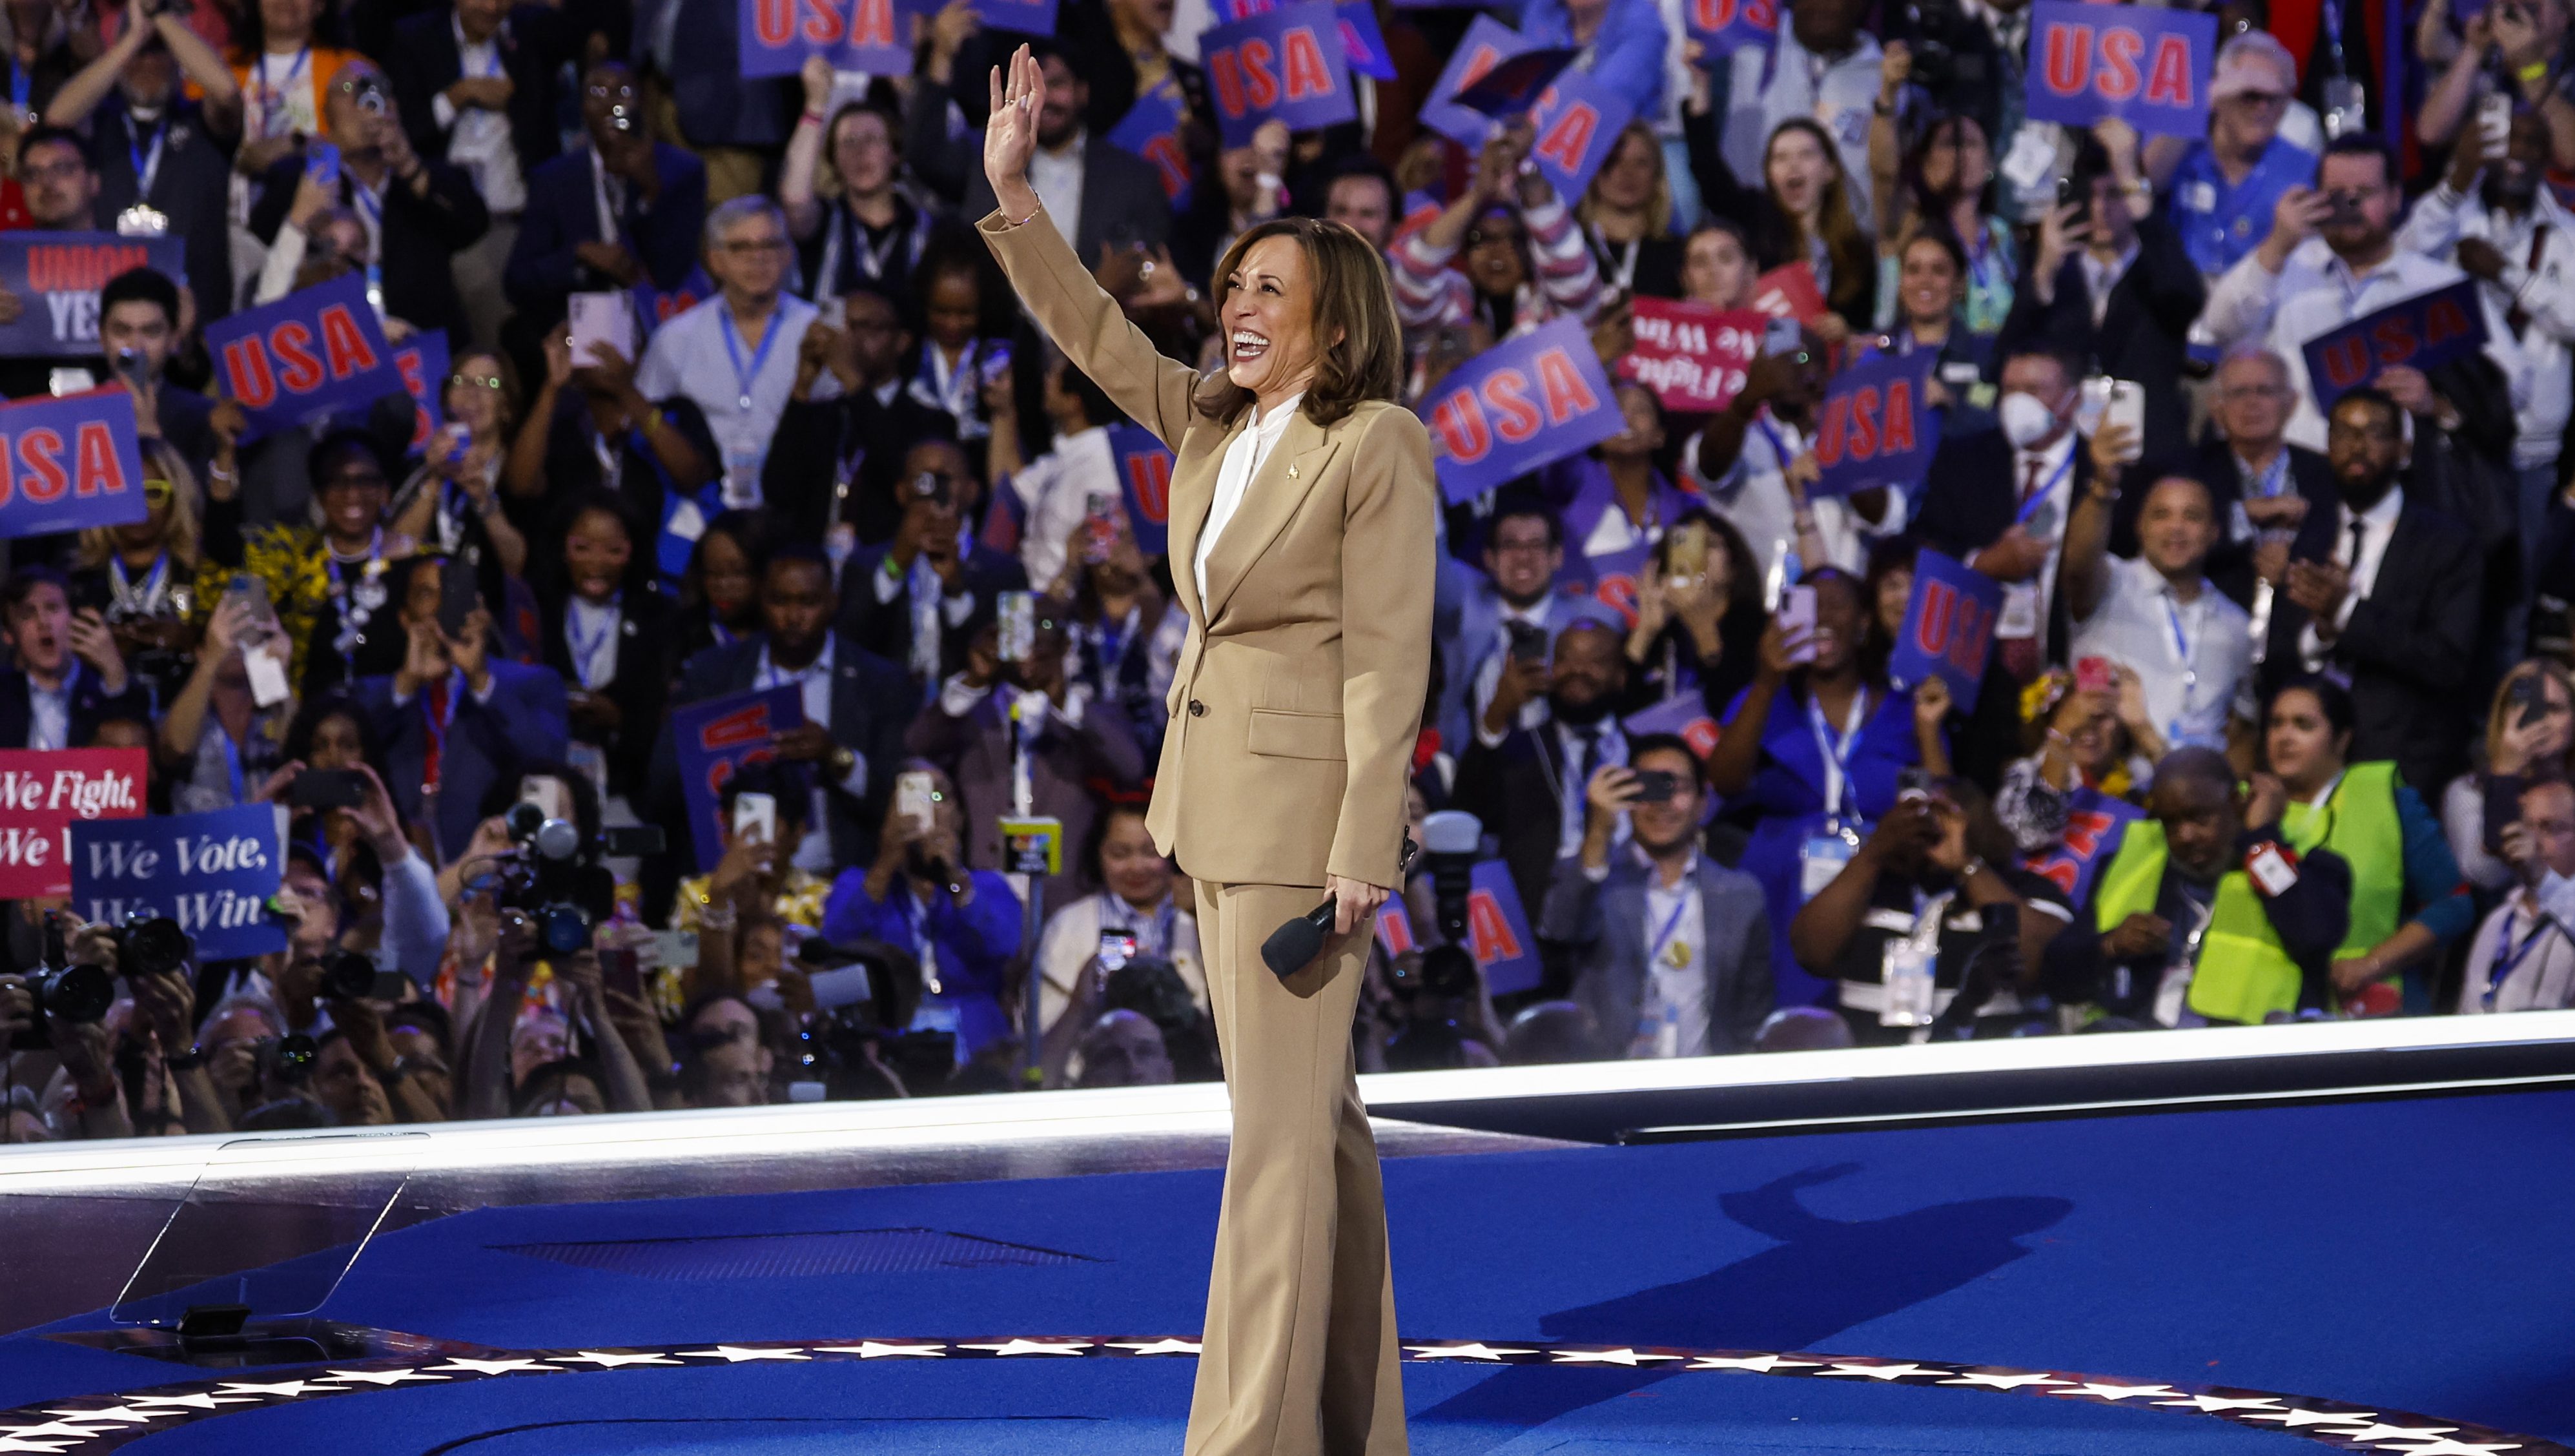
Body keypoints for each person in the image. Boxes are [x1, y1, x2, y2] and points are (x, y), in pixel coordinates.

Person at [980, 43, 1428, 1451]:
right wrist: (1015, 198)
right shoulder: (1216, 424)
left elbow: (1385, 659)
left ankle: (1246, 1437)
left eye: (1265, 292)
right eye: (1231, 285)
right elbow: (1100, 338)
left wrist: (1364, 847)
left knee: (1275, 1154)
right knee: (1317, 1133)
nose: (1234, 306)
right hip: (1211, 812)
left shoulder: (1375, 443)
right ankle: (1357, 1426)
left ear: (1333, 326)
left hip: (1302, 836)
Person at [1706, 568, 1950, 1007]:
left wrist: (1929, 729)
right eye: (1808, 605)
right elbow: (1725, 780)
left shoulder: (1903, 710)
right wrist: (1765, 682)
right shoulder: (1764, 701)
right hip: (1778, 890)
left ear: (1863, 622)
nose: (1821, 616)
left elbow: (1945, 806)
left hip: (1879, 889)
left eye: (1836, 604)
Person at [2202, 134, 2523, 453]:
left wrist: (2437, 400)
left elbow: (2516, 383)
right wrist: (2276, 245)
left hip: (2399, 479)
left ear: (2395, 198)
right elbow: (2220, 325)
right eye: (2338, 194)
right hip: (2301, 469)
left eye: (2365, 193)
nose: (2352, 205)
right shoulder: (2282, 266)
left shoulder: (2439, 285)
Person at [2261, 389, 2485, 795]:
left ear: (2403, 449)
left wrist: (2346, 612)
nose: (2357, 447)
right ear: (2327, 446)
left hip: (2405, 765)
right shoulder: (2308, 537)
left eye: (2375, 433)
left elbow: (2447, 661)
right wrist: (2322, 633)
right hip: (2312, 770)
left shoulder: (2448, 544)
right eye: (2344, 433)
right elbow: (2278, 659)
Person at [2399, 108, 2575, 614]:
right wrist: (2456, 181)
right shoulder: (2450, 219)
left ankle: (2507, 695)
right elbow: (2400, 259)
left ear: (2549, 157)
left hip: (2530, 447)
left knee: (2514, 602)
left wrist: (2507, 274)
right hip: (2451, 437)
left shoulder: (2566, 235)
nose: (2519, 154)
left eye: (2534, 143)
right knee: (2440, 591)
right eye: (2507, 140)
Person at [2046, 746, 2352, 1027]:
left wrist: (2261, 840)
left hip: (2250, 1060)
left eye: (2200, 818)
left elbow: (2317, 932)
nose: (2186, 835)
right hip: (2142, 1055)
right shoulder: (2133, 862)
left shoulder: (2308, 861)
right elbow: (2057, 974)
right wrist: (2110, 945)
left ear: (2235, 804)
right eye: (2171, 823)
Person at [660, 542, 917, 877]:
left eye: (808, 602)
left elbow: (902, 796)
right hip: (732, 884)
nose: (793, 617)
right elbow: (663, 783)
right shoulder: (713, 674)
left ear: (832, 603)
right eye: (780, 601)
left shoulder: (880, 682)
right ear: (761, 600)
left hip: (840, 885)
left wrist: (835, 757)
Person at [2256, 675, 2477, 1018]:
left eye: (2303, 725)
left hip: (2365, 1012)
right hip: (2262, 1014)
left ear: (2342, 739)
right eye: (2276, 724)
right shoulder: (2246, 807)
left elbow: (2454, 903)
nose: (2285, 737)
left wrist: (2372, 963)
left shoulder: (2385, 799)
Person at [1789, 775, 2071, 1043]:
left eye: (1943, 816)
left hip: (1982, 1070)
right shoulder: (1869, 887)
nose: (1929, 826)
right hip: (1873, 1068)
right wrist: (1874, 852)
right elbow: (1811, 952)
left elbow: (2042, 959)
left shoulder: (2022, 888)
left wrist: (1967, 864)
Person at [907, 595, 1147, 906]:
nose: (1030, 642)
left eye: (1044, 627)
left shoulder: (1092, 717)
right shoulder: (971, 718)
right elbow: (916, 746)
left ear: (1065, 643)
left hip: (1064, 903)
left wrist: (1061, 699)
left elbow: (1131, 767)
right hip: (984, 904)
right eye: (1016, 629)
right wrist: (974, 678)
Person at [1546, 737, 1772, 1057]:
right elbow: (1561, 930)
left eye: (1675, 788)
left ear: (1701, 802)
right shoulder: (1594, 879)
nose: (1662, 803)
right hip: (1611, 1085)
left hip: (1703, 1085)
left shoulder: (1740, 895)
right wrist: (1598, 831)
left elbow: (1752, 1018)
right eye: (1649, 788)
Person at [247, 60, 492, 340]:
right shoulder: (298, 177)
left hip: (421, 340)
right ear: (327, 113)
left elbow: (473, 226)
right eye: (347, 90)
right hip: (332, 341)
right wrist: (326, 153)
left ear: (393, 108)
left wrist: (409, 167)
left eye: (373, 90)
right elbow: (263, 236)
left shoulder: (428, 176)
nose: (362, 101)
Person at [1997, 140, 2206, 465]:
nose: (2099, 209)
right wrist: (2044, 271)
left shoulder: (2160, 269)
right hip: (2068, 456)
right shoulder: (2052, 274)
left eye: (2114, 195)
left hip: (2151, 453)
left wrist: (2132, 180)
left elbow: (2186, 299)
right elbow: (2005, 359)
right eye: (2089, 196)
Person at [353, 553, 569, 859]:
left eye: (453, 594)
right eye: (427, 594)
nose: (441, 606)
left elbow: (549, 765)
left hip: (490, 870)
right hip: (393, 872)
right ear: (405, 617)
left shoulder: (532, 685)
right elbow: (345, 759)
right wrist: (406, 684)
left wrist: (481, 681)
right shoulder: (374, 693)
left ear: (479, 609)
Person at [384, 0, 568, 351]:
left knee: (519, 343)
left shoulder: (529, 37)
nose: (492, 6)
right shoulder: (413, 39)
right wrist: (458, 96)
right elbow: (400, 132)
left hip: (515, 221)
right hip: (440, 224)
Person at [2062, 429, 2254, 755]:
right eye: (2161, 515)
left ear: (2213, 533)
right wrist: (2104, 487)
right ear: (2140, 527)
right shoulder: (2111, 582)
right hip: (2110, 794)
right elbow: (2077, 566)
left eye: (2191, 517)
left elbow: (2240, 732)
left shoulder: (2235, 623)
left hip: (2195, 797)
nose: (2176, 527)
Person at [817, 759, 1021, 1065]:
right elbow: (833, 948)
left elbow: (1007, 946)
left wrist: (955, 881)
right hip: (887, 1042)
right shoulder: (859, 883)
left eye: (939, 797)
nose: (928, 808)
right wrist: (885, 863)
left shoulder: (986, 886)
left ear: (960, 818)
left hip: (976, 1043)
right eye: (912, 797)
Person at [43, 10, 240, 327]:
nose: (147, 63)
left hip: (198, 322)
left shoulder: (202, 122)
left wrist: (159, 13)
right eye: (137, 53)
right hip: (112, 322)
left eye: (159, 50)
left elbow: (227, 90)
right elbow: (55, 122)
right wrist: (131, 39)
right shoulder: (101, 121)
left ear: (178, 55)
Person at [634, 196, 828, 509]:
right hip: (699, 510)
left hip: (796, 506)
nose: (758, 259)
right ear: (715, 260)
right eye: (741, 248)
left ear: (788, 254)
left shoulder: (818, 332)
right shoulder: (676, 338)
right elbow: (645, 429)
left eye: (770, 245)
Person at [1916, 345, 2091, 679]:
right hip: (1981, 669)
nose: (2018, 402)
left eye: (2034, 390)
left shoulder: (2103, 472)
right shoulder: (1961, 461)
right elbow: (1927, 547)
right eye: (2010, 389)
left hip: (2075, 666)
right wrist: (1982, 565)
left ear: (2074, 399)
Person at [503, 60, 709, 334]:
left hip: (665, 316)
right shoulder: (554, 179)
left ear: (641, 103)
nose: (611, 105)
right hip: (583, 322)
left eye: (623, 93)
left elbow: (673, 270)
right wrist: (579, 255)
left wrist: (650, 191)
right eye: (597, 94)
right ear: (582, 109)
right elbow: (518, 280)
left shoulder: (682, 170)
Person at [1455, 618, 1633, 921]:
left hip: (1626, 913)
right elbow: (1467, 814)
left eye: (1596, 661)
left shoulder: (1645, 751)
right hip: (1535, 917)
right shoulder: (1523, 748)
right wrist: (1497, 713)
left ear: (1620, 676)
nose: (1578, 670)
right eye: (1565, 659)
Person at [2129, 345, 2330, 612]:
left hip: (2301, 626)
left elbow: (2340, 539)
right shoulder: (2186, 472)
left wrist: (2293, 561)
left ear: (2291, 402)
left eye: (2265, 391)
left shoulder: (2325, 471)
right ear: (2216, 407)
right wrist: (2245, 514)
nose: (2252, 403)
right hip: (2207, 619)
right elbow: (2158, 544)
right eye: (2238, 393)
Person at [763, 289, 956, 548]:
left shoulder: (932, 421)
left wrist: (852, 379)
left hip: (887, 566)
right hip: (816, 570)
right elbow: (777, 490)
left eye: (866, 327)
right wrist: (802, 386)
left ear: (902, 341)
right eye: (844, 327)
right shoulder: (825, 413)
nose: (849, 339)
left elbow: (907, 477)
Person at [958, 37, 1172, 261]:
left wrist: (1099, 289)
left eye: (1056, 84)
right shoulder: (987, 168)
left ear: (1082, 92)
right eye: (1031, 89)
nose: (1043, 99)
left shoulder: (1136, 179)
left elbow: (1152, 265)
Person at [1435, 493, 1617, 755]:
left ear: (1557, 556)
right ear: (1490, 558)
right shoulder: (1464, 606)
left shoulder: (1591, 621)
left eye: (1536, 545)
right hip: (1463, 768)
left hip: (1559, 773)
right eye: (1510, 545)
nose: (1523, 557)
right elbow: (1432, 561)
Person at [840, 437, 1027, 686]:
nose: (932, 490)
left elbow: (1018, 659)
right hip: (887, 711)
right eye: (923, 478)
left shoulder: (1010, 572)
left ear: (972, 491)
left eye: (944, 478)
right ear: (902, 491)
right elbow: (847, 646)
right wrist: (895, 566)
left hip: (970, 714)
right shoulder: (860, 565)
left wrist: (955, 591)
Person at [1391, 119, 1602, 339]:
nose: (1497, 250)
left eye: (1514, 239)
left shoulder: (1560, 313)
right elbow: (1413, 279)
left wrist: (1524, 168)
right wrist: (1478, 194)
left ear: (1534, 249)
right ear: (1464, 250)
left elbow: (1572, 272)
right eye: (1481, 238)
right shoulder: (1444, 310)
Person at [1032, 804, 1207, 1049]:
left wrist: (1200, 917)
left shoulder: (1199, 920)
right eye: (1120, 854)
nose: (1137, 867)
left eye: (1150, 852)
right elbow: (1043, 1032)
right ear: (1098, 854)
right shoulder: (1069, 925)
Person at [2148, 31, 2315, 285]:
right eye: (2250, 95)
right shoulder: (2181, 151)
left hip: (2260, 305)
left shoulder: (2304, 170)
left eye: (2274, 98)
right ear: (2219, 94)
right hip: (2177, 301)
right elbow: (2147, 182)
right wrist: (2201, 102)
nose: (2263, 108)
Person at [535, 492, 671, 805]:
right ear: (563, 550)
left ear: (633, 552)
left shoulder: (658, 617)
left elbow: (667, 716)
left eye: (613, 550)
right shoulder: (539, 610)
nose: (597, 564)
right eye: (582, 549)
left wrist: (620, 720)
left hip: (630, 791)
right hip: (548, 785)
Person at [1686, 111, 1876, 334]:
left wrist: (1846, 331)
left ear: (1830, 170)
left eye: (1806, 155)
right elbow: (1710, 177)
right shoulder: (1756, 222)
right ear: (1770, 175)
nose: (1793, 166)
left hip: (1831, 365)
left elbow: (1867, 329)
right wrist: (1699, 101)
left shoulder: (1857, 249)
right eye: (1781, 158)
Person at [1712, 0, 1882, 232]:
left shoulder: (1882, 77)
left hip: (1852, 240)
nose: (1820, 6)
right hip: (1762, 234)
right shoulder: (1752, 49)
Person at [781, 67, 938, 305]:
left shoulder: (925, 226)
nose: (860, 151)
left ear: (894, 153)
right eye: (848, 142)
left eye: (872, 140)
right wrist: (815, 107)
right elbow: (794, 199)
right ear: (834, 160)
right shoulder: (824, 220)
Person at [70, 436, 203, 713]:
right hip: (102, 720)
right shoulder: (79, 581)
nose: (141, 507)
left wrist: (186, 640)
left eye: (154, 492)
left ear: (175, 498)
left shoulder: (197, 574)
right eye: (128, 493)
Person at [1867, 100, 2016, 342]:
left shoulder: (2003, 234)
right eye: (1949, 144)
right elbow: (1884, 175)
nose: (1960, 156)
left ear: (1990, 162)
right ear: (1926, 163)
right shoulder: (1907, 228)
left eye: (1970, 144)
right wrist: (1888, 95)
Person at [2444, 660, 2575, 895]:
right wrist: (2506, 773)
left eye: (2553, 709)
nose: (2540, 722)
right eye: (2527, 710)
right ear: (2503, 719)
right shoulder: (2470, 791)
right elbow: (2486, 875)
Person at [2459, 775, 2575, 1012]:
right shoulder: (2498, 920)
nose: (2534, 841)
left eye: (2549, 827)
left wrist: (2542, 878)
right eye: (2527, 827)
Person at [0, 566, 146, 748]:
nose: (43, 622)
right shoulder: (5, 694)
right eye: (27, 614)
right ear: (9, 634)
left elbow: (134, 752)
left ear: (75, 619)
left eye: (53, 608)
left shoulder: (109, 689)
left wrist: (114, 673)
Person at [1581, 121, 1683, 298]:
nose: (1628, 172)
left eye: (1641, 163)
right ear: (1595, 171)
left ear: (1657, 174)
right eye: (1613, 161)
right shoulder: (1570, 247)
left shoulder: (1679, 254)